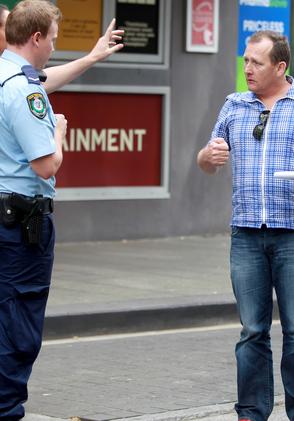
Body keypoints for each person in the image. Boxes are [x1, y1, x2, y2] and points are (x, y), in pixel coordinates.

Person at [0, 1, 122, 419]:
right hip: (20, 225)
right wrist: (59, 130)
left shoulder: (7, 77)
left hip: (6, 216)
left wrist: (92, 56)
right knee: (19, 319)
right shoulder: (25, 91)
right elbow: (47, 163)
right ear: (36, 37)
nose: (53, 45)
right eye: (52, 38)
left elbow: (44, 79)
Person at [197, 30, 294, 421]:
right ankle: (251, 412)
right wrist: (207, 156)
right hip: (246, 234)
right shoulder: (234, 105)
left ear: (280, 67)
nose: (247, 69)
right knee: (252, 330)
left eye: (256, 63)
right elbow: (205, 159)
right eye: (245, 60)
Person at [0, 3, 124, 94]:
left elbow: (40, 82)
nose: (15, 30)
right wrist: (57, 129)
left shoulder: (15, 72)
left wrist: (92, 57)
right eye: (8, 26)